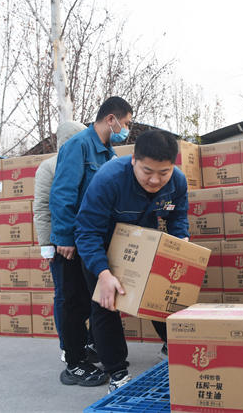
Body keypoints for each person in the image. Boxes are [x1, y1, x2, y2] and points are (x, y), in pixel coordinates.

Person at [75, 129, 189, 393]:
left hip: (140, 241)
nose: (155, 180)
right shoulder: (109, 179)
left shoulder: (177, 181)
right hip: (101, 245)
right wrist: (103, 273)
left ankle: (173, 347)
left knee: (159, 292)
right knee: (107, 303)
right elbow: (87, 231)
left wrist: (181, 242)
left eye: (163, 172)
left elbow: (178, 216)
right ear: (134, 160)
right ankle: (117, 372)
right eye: (147, 171)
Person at [50, 97, 133, 387]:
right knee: (74, 303)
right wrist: (65, 237)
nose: (127, 129)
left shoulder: (108, 153)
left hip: (95, 241)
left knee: (96, 302)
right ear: (111, 119)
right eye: (126, 123)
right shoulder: (79, 146)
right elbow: (63, 193)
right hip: (74, 241)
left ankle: (93, 353)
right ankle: (74, 363)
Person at [33, 121, 101, 363]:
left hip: (88, 239)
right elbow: (42, 208)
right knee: (65, 295)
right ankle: (68, 346)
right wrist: (46, 246)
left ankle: (91, 341)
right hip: (61, 243)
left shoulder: (91, 161)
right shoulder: (49, 167)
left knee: (91, 294)